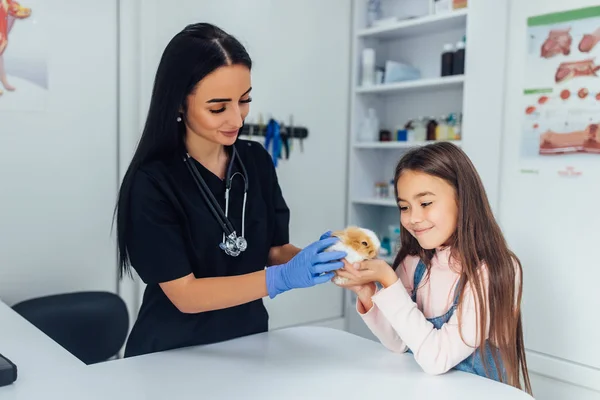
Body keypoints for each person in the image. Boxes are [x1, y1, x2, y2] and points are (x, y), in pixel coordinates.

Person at [114, 22, 346, 358]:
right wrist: (279, 279)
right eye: (218, 107)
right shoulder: (152, 182)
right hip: (170, 355)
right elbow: (186, 294)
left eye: (245, 100)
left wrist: (318, 259)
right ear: (179, 103)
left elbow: (272, 249)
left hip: (248, 345)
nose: (237, 119)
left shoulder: (256, 160)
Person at [332, 142, 532, 395]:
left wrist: (390, 283)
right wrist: (366, 291)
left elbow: (437, 358)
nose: (412, 218)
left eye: (425, 203)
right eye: (404, 207)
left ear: (463, 199)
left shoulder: (492, 270)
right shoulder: (413, 262)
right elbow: (398, 342)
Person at [0, 0, 32, 95]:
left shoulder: (11, 4)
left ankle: (4, 82)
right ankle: (5, 82)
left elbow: (20, 12)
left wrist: (24, 12)